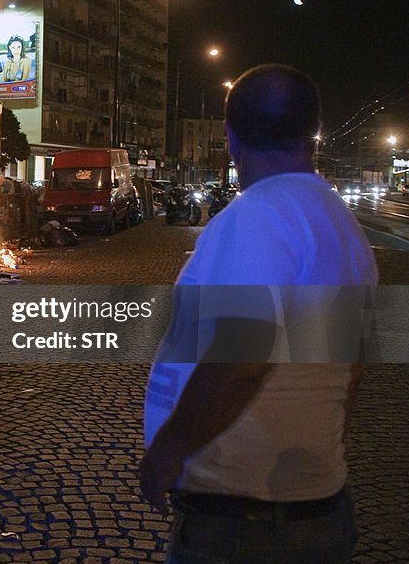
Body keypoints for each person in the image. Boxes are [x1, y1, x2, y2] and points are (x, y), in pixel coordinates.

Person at [140, 64, 377, 563]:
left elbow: (239, 363)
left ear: (231, 139)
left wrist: (165, 454)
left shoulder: (258, 216)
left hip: (243, 527)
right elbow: (351, 371)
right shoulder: (341, 225)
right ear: (311, 134)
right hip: (312, 508)